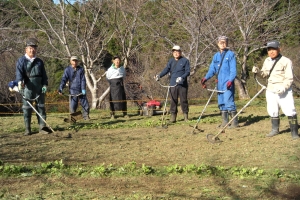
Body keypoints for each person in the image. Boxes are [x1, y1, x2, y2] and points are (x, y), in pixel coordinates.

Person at [252, 40, 299, 139]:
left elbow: (289, 78)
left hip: (283, 90)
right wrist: (258, 71)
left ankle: (294, 133)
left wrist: (284, 87)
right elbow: (264, 74)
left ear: (279, 49)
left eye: (273, 49)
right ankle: (275, 130)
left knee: (290, 110)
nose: (271, 51)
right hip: (270, 89)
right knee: (272, 110)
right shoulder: (267, 60)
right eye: (269, 49)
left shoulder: (286, 61)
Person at [201, 36, 238, 128]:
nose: (222, 44)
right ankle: (224, 122)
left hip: (227, 82)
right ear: (217, 44)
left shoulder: (230, 54)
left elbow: (233, 70)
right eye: (221, 42)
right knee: (221, 103)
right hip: (219, 83)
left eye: (224, 42)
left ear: (227, 43)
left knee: (228, 101)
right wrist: (205, 78)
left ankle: (234, 123)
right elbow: (212, 69)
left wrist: (230, 80)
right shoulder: (216, 56)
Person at [15, 38, 49, 136]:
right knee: (26, 108)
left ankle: (42, 128)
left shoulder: (39, 61)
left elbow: (44, 75)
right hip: (27, 88)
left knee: (41, 108)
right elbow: (19, 74)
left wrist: (45, 84)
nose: (32, 50)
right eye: (30, 48)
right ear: (26, 49)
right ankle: (27, 129)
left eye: (34, 48)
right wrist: (19, 82)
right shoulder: (21, 61)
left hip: (39, 88)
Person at [155, 45, 190, 122]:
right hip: (173, 83)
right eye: (174, 52)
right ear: (172, 53)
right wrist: (159, 75)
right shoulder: (171, 61)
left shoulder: (185, 61)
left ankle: (185, 116)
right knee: (173, 100)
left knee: (183, 100)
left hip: (182, 84)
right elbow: (166, 69)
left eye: (177, 52)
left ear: (180, 52)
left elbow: (188, 72)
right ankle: (173, 117)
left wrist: (182, 77)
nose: (176, 53)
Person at [58, 56, 90, 120]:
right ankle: (73, 118)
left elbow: (83, 80)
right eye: (73, 60)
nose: (74, 62)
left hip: (81, 89)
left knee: (85, 104)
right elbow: (64, 79)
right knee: (73, 105)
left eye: (76, 61)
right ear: (70, 61)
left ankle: (86, 116)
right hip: (72, 90)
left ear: (77, 62)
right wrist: (61, 88)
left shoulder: (81, 69)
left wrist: (83, 88)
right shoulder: (67, 70)